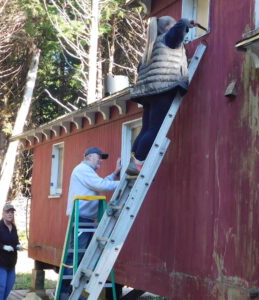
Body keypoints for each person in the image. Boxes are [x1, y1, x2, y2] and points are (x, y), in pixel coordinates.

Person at [126, 16, 200, 176]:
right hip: (162, 89)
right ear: (168, 28)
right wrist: (187, 22)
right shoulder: (167, 39)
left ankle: (133, 160)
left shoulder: (151, 47)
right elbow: (179, 28)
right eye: (172, 26)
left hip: (147, 93)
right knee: (154, 129)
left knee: (145, 129)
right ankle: (138, 162)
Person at [60, 147, 121, 299]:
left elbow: (100, 184)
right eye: (99, 157)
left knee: (84, 256)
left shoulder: (87, 172)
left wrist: (115, 173)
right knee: (76, 256)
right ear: (89, 156)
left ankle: (74, 291)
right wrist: (123, 182)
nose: (101, 160)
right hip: (81, 219)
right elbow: (101, 185)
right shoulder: (82, 169)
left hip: (86, 219)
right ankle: (64, 292)